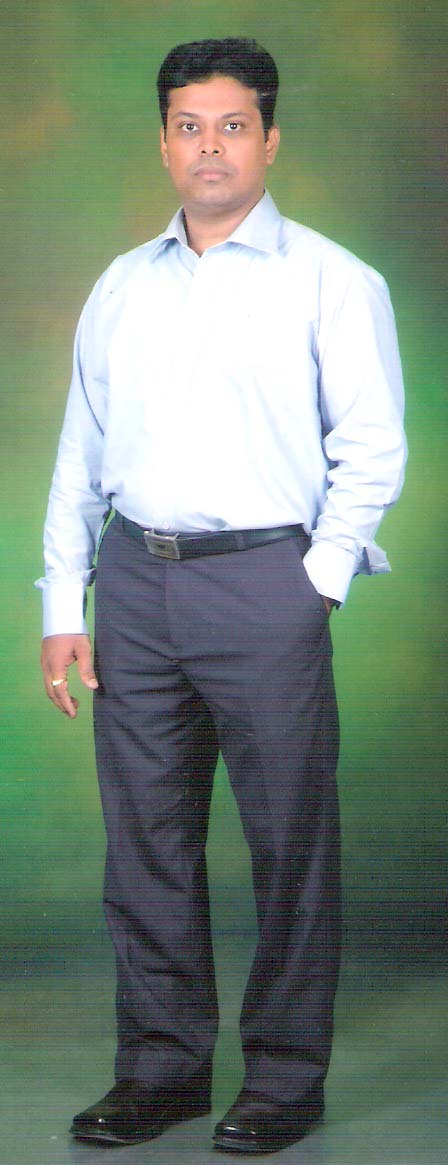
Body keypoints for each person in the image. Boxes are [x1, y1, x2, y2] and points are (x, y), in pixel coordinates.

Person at [37, 37, 406, 1154]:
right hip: (134, 587)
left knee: (289, 842)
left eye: (232, 125)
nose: (210, 146)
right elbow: (80, 450)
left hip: (265, 585)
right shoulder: (120, 285)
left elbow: (373, 448)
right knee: (145, 843)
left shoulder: (333, 280)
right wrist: (64, 605)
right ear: (163, 143)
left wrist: (314, 586)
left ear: (269, 139)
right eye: (189, 126)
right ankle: (162, 1070)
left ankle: (285, 1079)